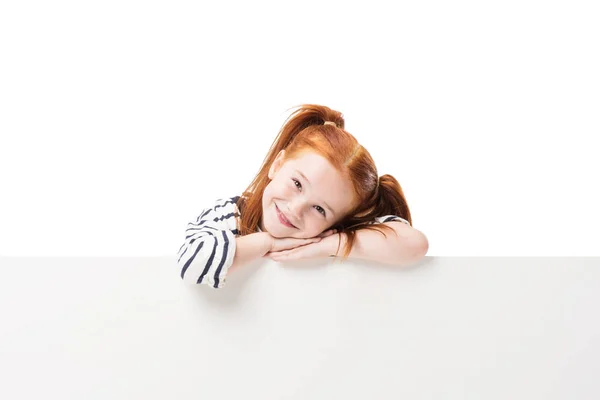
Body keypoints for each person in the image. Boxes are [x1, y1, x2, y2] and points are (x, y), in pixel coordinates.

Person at [176, 104, 429, 288]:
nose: (296, 209)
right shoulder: (229, 215)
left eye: (320, 209)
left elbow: (415, 244)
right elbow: (192, 262)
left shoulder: (326, 235)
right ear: (277, 164)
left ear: (336, 222)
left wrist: (326, 246)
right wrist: (268, 243)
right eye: (297, 183)